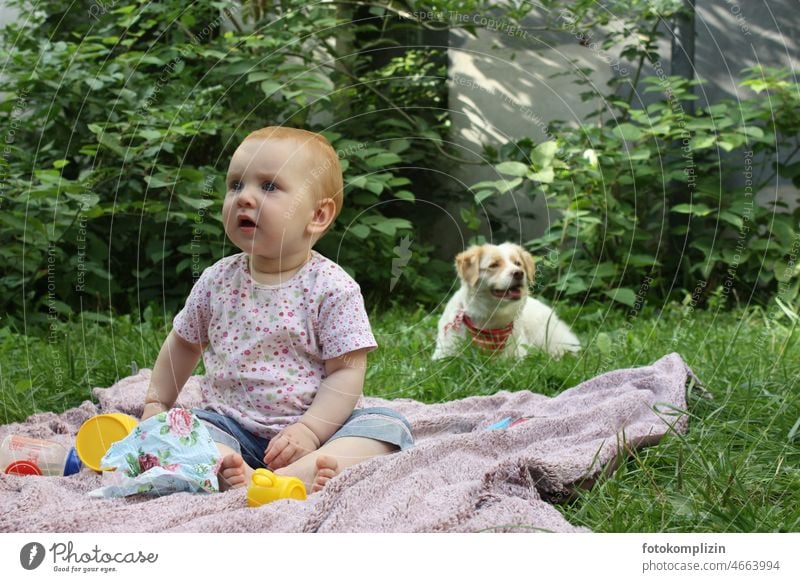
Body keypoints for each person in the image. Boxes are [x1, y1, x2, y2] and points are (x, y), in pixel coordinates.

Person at [141, 126, 413, 492]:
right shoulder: (216, 281)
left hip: (316, 429)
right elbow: (185, 344)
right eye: (236, 185)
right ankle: (234, 469)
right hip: (230, 424)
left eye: (268, 187)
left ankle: (290, 476)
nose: (244, 198)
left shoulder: (332, 288)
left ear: (317, 215)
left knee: (387, 427)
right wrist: (157, 402)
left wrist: (310, 430)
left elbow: (345, 374)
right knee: (187, 431)